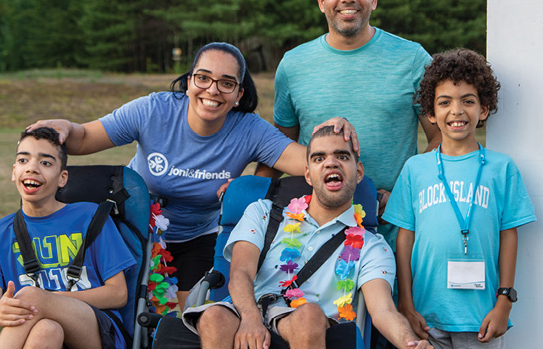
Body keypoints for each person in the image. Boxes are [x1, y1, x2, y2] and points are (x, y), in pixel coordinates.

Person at [26, 42, 357, 309]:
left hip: (199, 237)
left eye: (227, 83)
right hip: (136, 234)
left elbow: (312, 163)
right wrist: (64, 127)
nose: (213, 90)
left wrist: (334, 137)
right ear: (189, 82)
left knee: (188, 322)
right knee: (130, 318)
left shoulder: (249, 129)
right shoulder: (153, 111)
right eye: (203, 78)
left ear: (239, 93)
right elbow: (85, 137)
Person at [256, 0, 442, 254]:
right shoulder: (293, 65)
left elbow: (440, 139)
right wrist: (249, 192)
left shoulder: (412, 59)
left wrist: (403, 196)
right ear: (321, 1)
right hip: (314, 230)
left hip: (393, 230)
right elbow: (280, 148)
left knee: (393, 304)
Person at [182, 126, 432, 349]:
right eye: (319, 158)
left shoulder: (372, 246)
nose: (331, 163)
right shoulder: (264, 212)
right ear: (309, 174)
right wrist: (250, 319)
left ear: (358, 172)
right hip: (249, 310)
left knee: (308, 315)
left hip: (311, 326)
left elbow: (384, 310)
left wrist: (409, 343)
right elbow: (240, 273)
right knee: (214, 318)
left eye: (342, 156)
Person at [382, 49, 536, 348]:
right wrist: (406, 303)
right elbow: (404, 239)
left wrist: (505, 301)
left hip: (481, 319)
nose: (456, 111)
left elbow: (508, 235)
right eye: (444, 102)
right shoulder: (416, 168)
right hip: (426, 318)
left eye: (468, 100)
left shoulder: (501, 168)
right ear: (430, 113)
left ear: (484, 109)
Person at [0, 127, 137, 349]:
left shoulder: (91, 217)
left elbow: (118, 294)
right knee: (47, 330)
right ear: (13, 171)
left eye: (45, 163)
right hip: (39, 329)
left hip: (96, 331)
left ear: (62, 178)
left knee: (31, 297)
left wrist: (50, 300)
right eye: (23, 160)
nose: (32, 168)